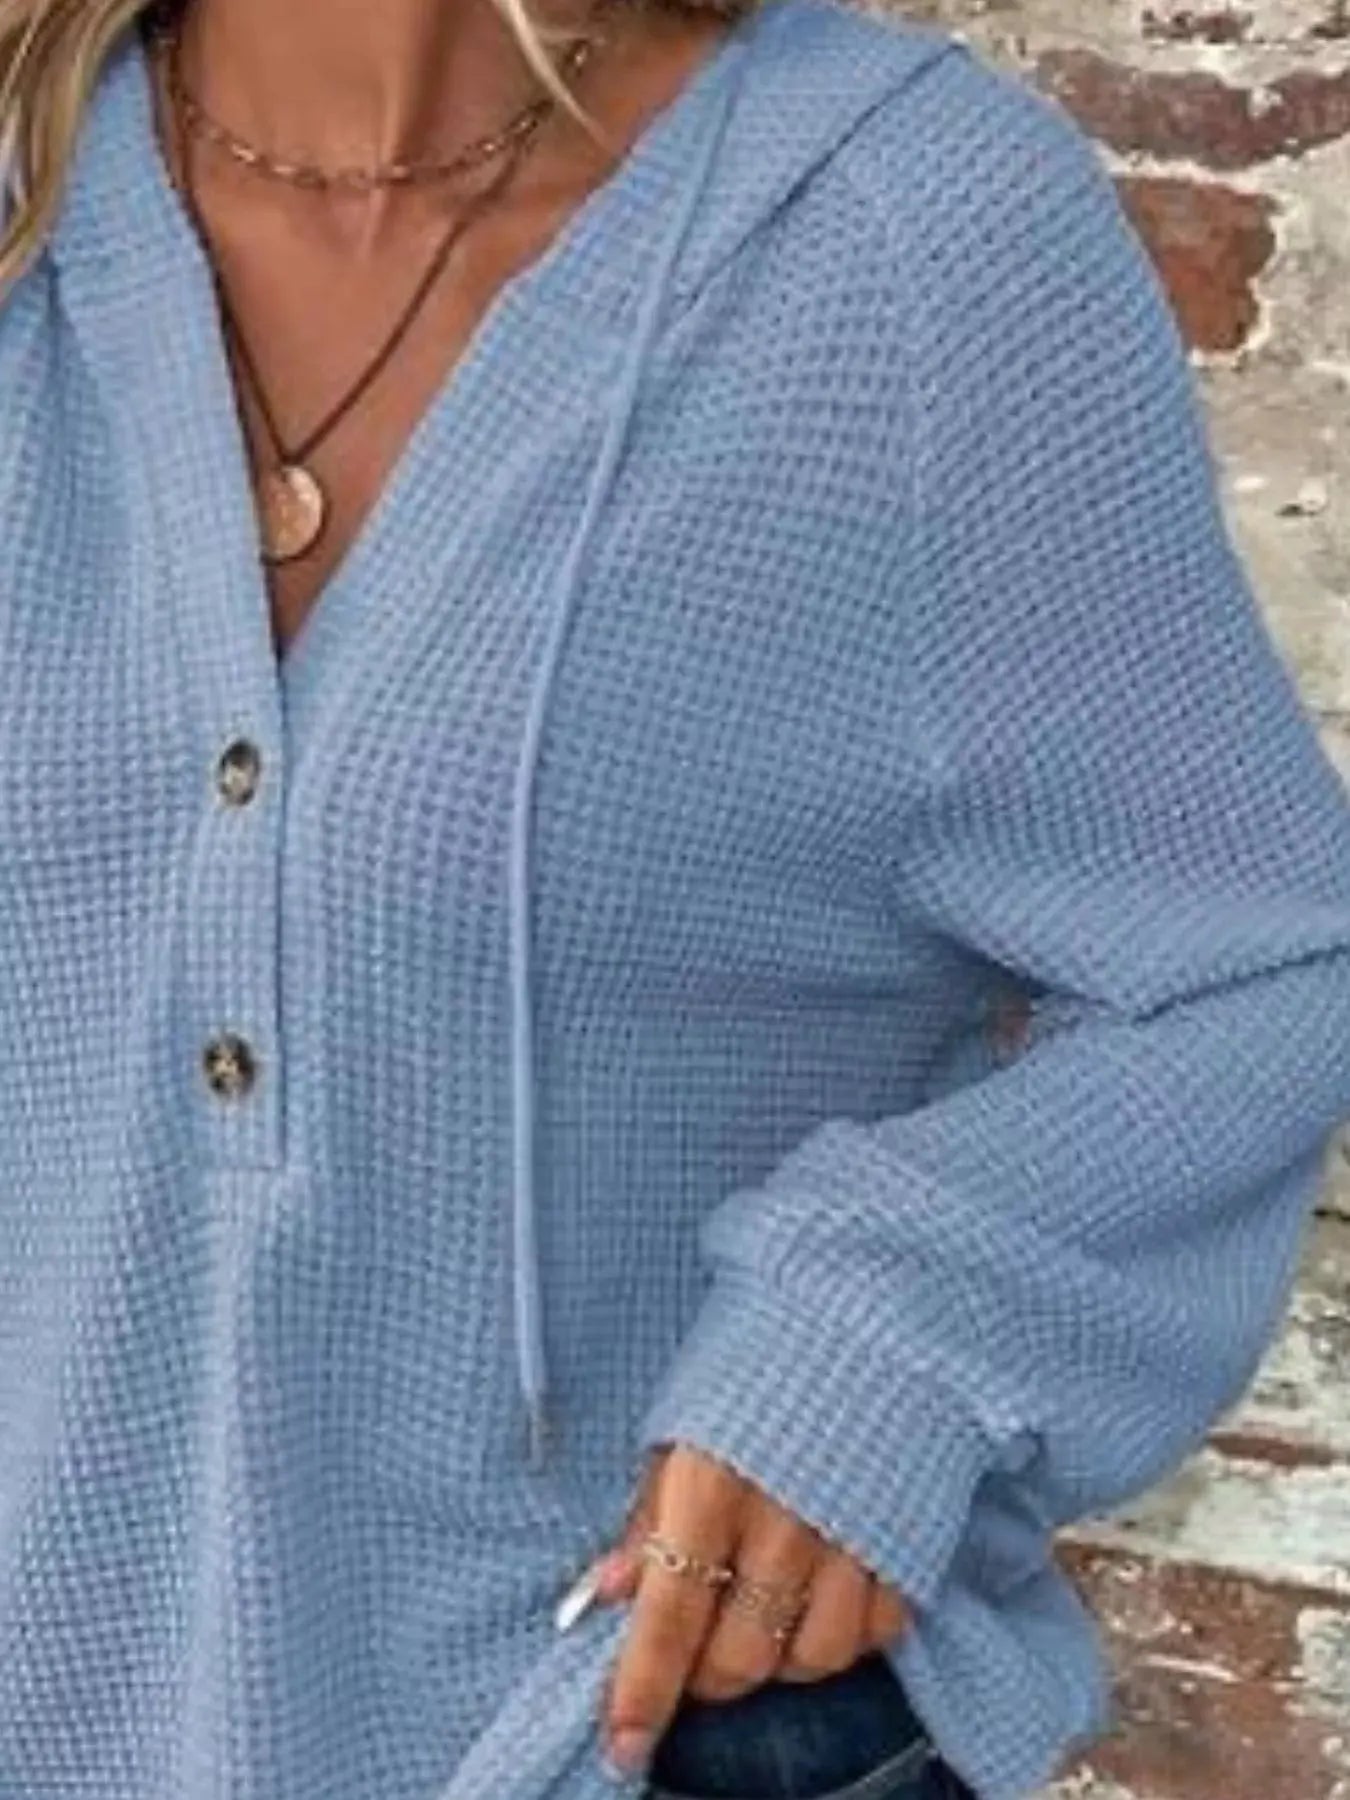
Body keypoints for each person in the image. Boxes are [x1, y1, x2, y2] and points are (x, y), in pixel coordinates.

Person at [2, 0, 1349, 1795]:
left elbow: (1256, 964)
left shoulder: (905, 235)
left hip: (610, 1738)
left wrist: (879, 1340)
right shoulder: (33, 213)